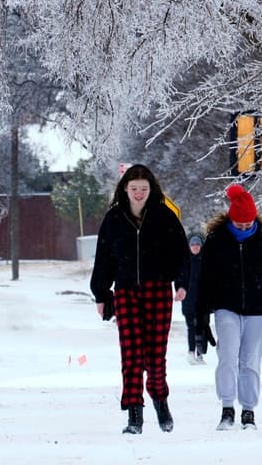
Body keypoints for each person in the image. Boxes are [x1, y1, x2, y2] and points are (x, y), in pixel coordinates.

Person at [90, 164, 191, 435]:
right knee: (131, 355)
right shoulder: (113, 219)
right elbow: (103, 258)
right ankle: (134, 415)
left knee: (155, 356)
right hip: (125, 291)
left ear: (151, 189)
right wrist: (101, 293)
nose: (138, 193)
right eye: (133, 188)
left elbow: (182, 254)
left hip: (158, 289)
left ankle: (160, 399)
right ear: (125, 188)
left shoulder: (164, 217)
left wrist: (181, 283)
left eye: (143, 189)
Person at [196, 183, 262, 431]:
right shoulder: (216, 241)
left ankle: (248, 410)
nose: (245, 228)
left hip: (257, 309)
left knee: (250, 361)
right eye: (240, 225)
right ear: (231, 220)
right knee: (227, 356)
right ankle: (227, 407)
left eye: (249, 225)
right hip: (226, 306)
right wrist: (201, 315)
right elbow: (205, 278)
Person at [180, 232, 207, 365]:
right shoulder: (185, 261)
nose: (195, 247)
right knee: (191, 327)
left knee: (201, 327)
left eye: (197, 245)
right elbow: (180, 280)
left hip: (202, 300)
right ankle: (191, 351)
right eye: (193, 245)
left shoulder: (205, 261)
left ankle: (200, 354)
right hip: (188, 301)